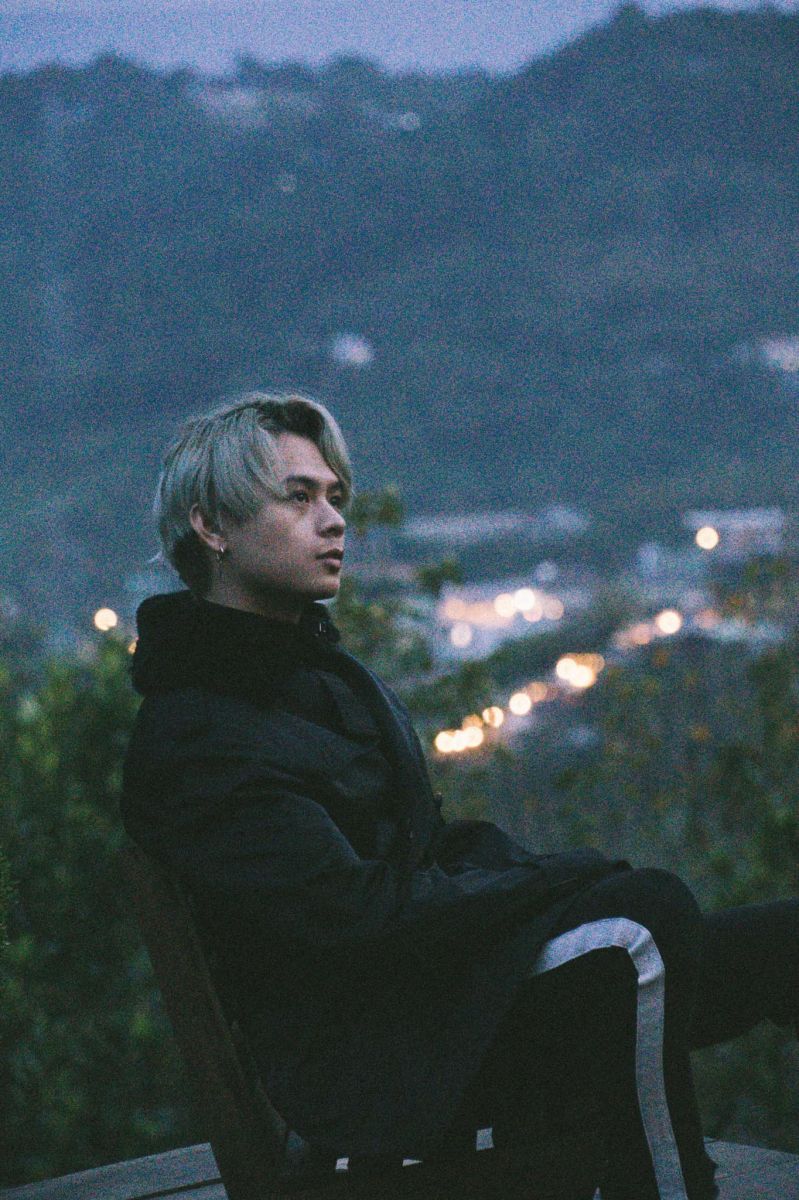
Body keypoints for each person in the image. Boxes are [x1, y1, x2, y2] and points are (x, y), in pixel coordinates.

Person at [121, 391, 799, 1200]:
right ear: (211, 527)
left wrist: (550, 882)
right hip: (380, 1061)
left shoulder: (314, 681)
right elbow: (354, 916)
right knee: (637, 926)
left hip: (437, 1008)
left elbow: (432, 847)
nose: (333, 521)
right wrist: (558, 887)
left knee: (775, 937)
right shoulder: (202, 730)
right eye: (297, 498)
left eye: (334, 497)